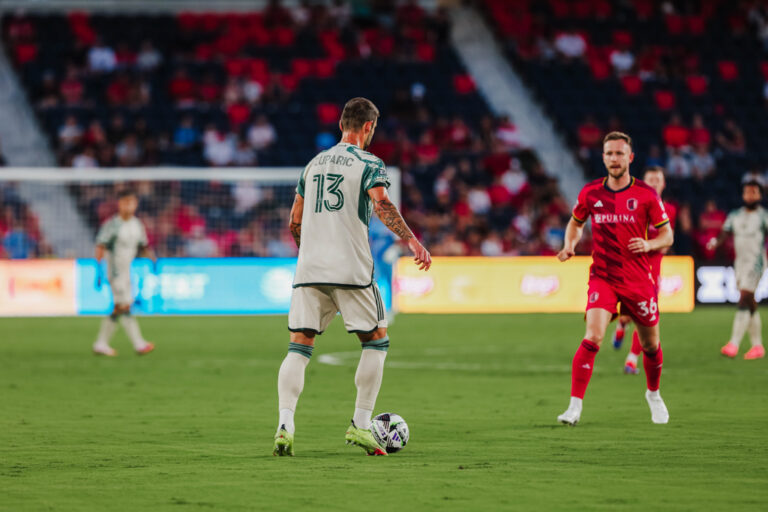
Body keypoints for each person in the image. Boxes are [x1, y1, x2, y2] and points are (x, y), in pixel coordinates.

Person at [273, 98, 431, 456]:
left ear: (341, 124)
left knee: (299, 346)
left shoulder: (312, 165)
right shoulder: (369, 163)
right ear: (369, 127)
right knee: (376, 340)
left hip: (309, 268)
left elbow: (294, 221)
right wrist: (411, 240)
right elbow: (382, 203)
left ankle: (285, 424)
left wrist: (310, 254)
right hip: (351, 269)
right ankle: (361, 425)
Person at [556, 132, 673, 425]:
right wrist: (570, 244)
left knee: (650, 346)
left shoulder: (646, 194)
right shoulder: (591, 193)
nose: (614, 159)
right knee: (593, 336)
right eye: (609, 153)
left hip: (638, 279)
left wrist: (649, 244)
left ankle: (653, 394)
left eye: (620, 154)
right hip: (603, 277)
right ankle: (574, 407)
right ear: (603, 157)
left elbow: (667, 234)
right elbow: (575, 223)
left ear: (630, 158)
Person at [612, 167, 677, 374]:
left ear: (664, 184)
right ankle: (622, 324)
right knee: (627, 312)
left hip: (653, 265)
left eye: (659, 179)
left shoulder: (669, 210)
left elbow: (666, 242)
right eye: (651, 179)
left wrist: (649, 244)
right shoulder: (632, 205)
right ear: (643, 182)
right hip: (631, 263)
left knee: (646, 313)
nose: (655, 183)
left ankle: (632, 359)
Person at [707, 179, 768, 360]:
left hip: (756, 262)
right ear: (743, 195)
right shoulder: (735, 215)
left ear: (760, 195)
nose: (750, 195)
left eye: (754, 192)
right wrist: (715, 242)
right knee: (750, 303)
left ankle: (734, 343)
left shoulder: (764, 215)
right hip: (739, 263)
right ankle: (757, 346)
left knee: (744, 298)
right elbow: (725, 233)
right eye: (747, 192)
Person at [92, 189, 156, 357]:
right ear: (119, 204)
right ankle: (139, 344)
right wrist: (98, 269)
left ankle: (101, 343)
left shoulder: (137, 224)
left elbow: (143, 245)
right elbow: (100, 245)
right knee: (124, 305)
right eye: (126, 202)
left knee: (119, 307)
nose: (129, 206)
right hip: (115, 271)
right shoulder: (112, 225)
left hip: (128, 270)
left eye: (132, 202)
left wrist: (152, 259)